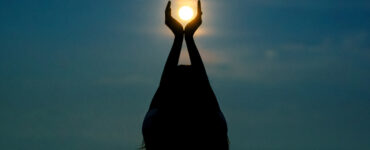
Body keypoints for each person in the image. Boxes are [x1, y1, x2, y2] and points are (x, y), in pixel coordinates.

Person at [142, 1, 229, 149]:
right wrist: (189, 37)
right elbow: (206, 91)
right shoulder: (211, 127)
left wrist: (178, 38)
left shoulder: (158, 127)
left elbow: (163, 88)